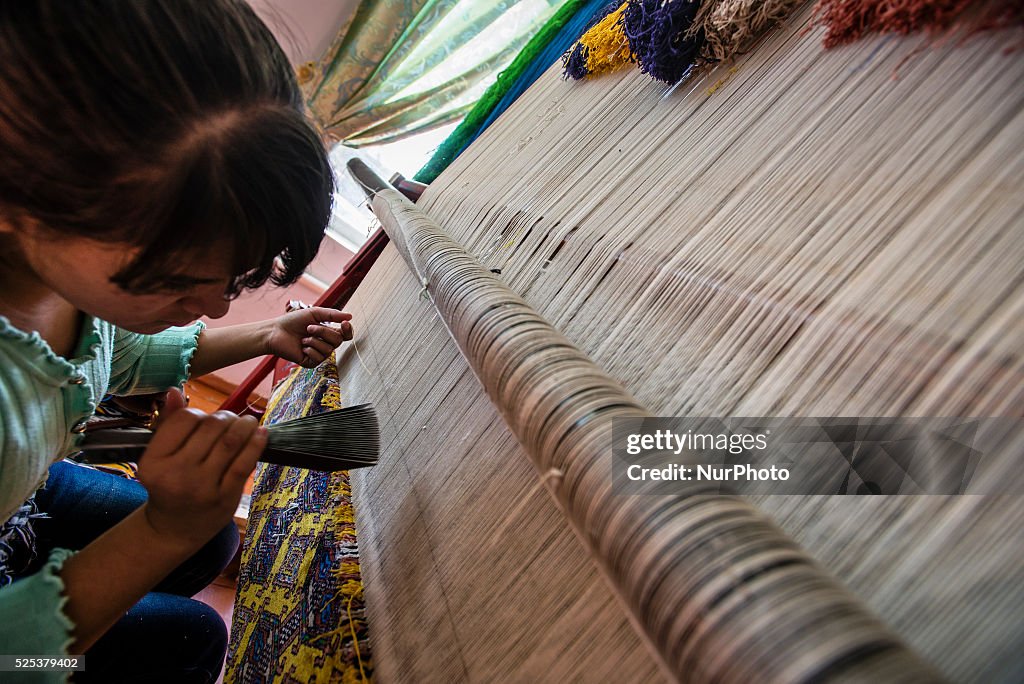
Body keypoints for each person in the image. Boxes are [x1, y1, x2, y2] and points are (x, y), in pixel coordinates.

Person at [0, 1, 351, 681]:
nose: (215, 305)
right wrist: (162, 531)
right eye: (178, 281)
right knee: (189, 637)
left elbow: (116, 354)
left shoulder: (53, 268)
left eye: (233, 279)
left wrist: (266, 334)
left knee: (213, 536)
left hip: (22, 494)